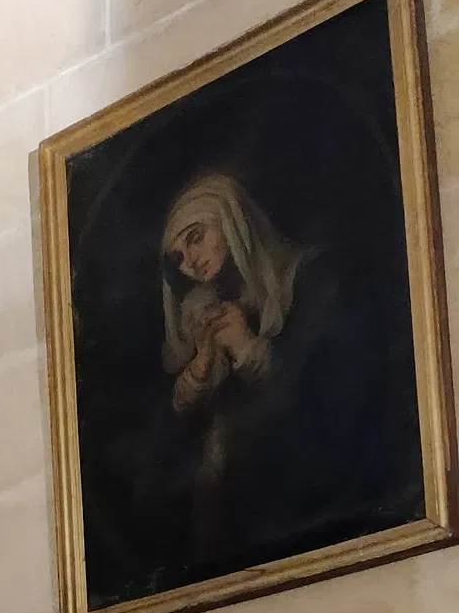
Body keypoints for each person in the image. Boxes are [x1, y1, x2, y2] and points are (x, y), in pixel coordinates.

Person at [145, 169, 403, 580]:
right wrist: (198, 374)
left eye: (196, 237)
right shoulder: (203, 319)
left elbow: (336, 402)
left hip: (316, 514)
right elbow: (160, 463)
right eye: (178, 258)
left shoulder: (315, 279)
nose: (190, 262)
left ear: (231, 219)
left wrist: (250, 351)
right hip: (235, 529)